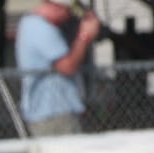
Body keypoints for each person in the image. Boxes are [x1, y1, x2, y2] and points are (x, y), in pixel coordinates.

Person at [15, 1, 100, 137]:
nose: (68, 16)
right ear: (56, 7)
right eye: (67, 11)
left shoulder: (33, 25)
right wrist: (84, 36)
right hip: (53, 114)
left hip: (52, 112)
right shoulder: (40, 28)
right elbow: (67, 67)